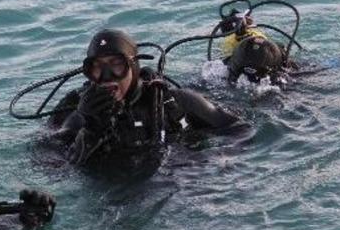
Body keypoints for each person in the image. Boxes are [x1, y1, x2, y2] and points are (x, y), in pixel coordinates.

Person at [47, 29, 252, 170]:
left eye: (116, 65)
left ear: (134, 66)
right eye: (97, 67)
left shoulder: (174, 102)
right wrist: (90, 129)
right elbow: (51, 162)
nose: (106, 76)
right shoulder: (83, 115)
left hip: (179, 182)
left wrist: (219, 162)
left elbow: (240, 129)